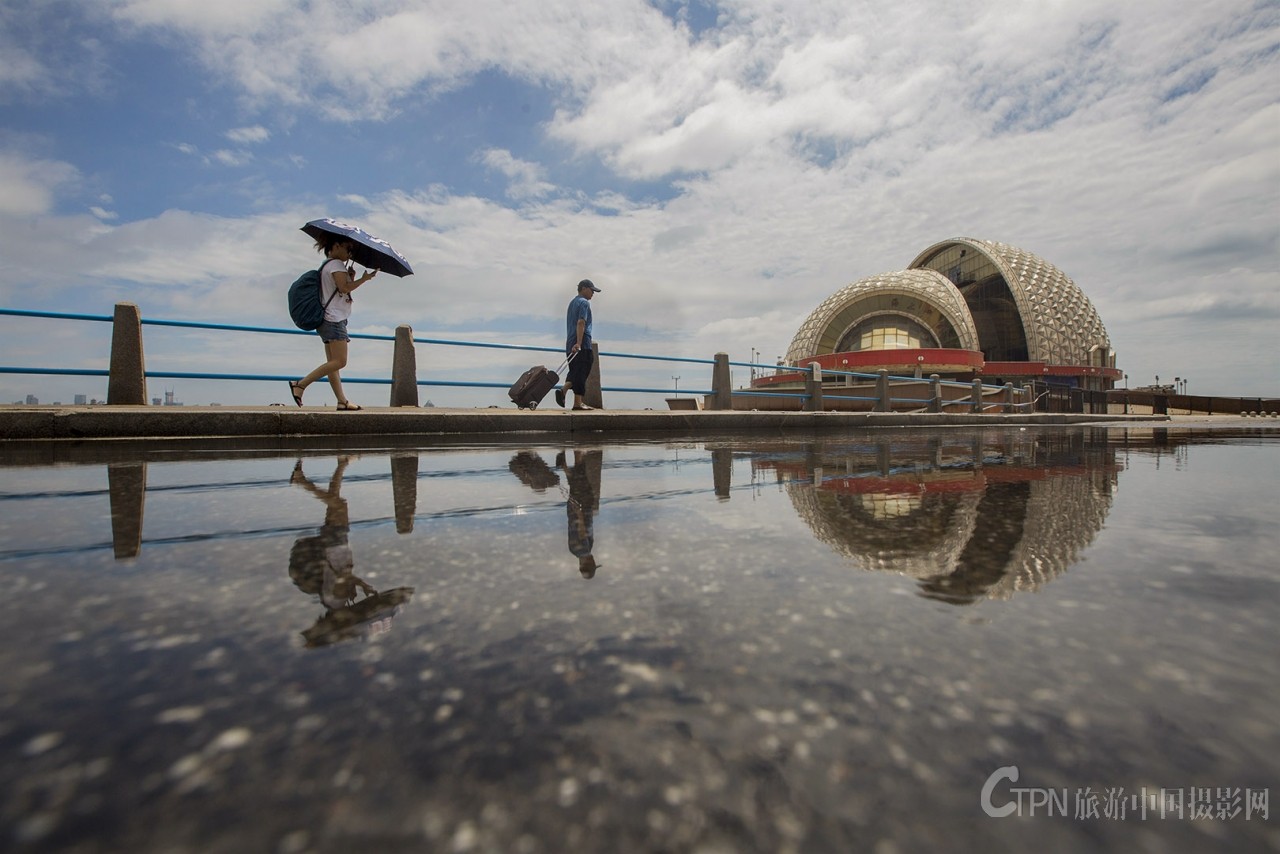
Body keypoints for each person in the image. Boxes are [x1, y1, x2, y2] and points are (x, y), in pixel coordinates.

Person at [288, 236, 377, 410]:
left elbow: (340, 290)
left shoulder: (327, 266)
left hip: (328, 319)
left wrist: (350, 277)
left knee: (332, 364)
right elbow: (344, 289)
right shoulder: (335, 265)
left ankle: (342, 401)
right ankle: (300, 384)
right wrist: (364, 279)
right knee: (340, 361)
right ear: (335, 246)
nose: (349, 253)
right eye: (347, 248)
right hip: (333, 319)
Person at [555, 279, 601, 410]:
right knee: (583, 369)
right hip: (582, 342)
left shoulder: (572, 303)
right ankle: (577, 402)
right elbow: (581, 322)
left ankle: (564, 390)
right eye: (592, 290)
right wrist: (579, 343)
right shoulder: (584, 303)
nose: (593, 293)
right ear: (584, 288)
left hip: (570, 341)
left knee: (575, 370)